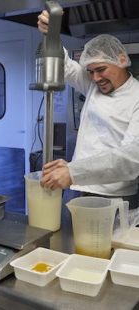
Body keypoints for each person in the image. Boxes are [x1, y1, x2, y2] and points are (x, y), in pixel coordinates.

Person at [37, 11, 139, 208]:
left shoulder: (136, 97)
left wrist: (73, 172)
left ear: (121, 60)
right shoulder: (94, 85)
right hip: (78, 189)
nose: (95, 78)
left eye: (101, 69)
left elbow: (131, 157)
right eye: (90, 72)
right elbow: (66, 67)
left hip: (114, 198)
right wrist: (53, 35)